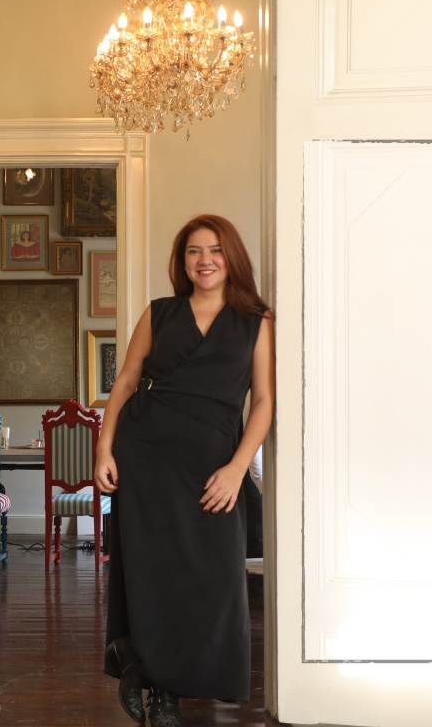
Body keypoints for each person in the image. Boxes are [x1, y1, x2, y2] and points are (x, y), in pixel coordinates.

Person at [96, 214, 275, 727]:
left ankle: (139, 662)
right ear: (182, 262)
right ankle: (161, 691)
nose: (205, 260)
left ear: (232, 258)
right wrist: (104, 449)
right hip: (146, 458)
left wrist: (238, 468)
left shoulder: (256, 321)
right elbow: (125, 382)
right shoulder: (159, 313)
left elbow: (263, 401)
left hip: (214, 466)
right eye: (194, 251)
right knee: (154, 577)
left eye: (215, 250)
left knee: (212, 582)